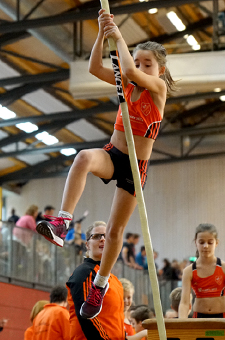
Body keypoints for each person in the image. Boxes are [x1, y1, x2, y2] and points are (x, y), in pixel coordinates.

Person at [37, 7, 176, 319]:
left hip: (135, 168)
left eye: (147, 64)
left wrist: (119, 36)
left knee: (115, 231)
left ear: (160, 70)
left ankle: (99, 286)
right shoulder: (127, 82)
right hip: (113, 155)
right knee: (83, 157)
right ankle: (62, 222)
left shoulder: (158, 89)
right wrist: (102, 32)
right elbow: (92, 67)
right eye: (138, 60)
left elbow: (128, 69)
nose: (140, 66)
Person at [66, 221, 146, 340]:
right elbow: (87, 318)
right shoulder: (84, 273)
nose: (103, 239)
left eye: (106, 236)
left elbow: (115, 324)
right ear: (87, 245)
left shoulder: (115, 281)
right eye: (97, 236)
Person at [179, 223, 225, 318]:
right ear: (196, 242)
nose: (205, 246)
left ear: (216, 243)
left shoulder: (223, 267)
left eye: (210, 242)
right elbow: (184, 302)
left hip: (221, 318)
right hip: (199, 318)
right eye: (201, 242)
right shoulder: (189, 271)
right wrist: (181, 323)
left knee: (214, 334)